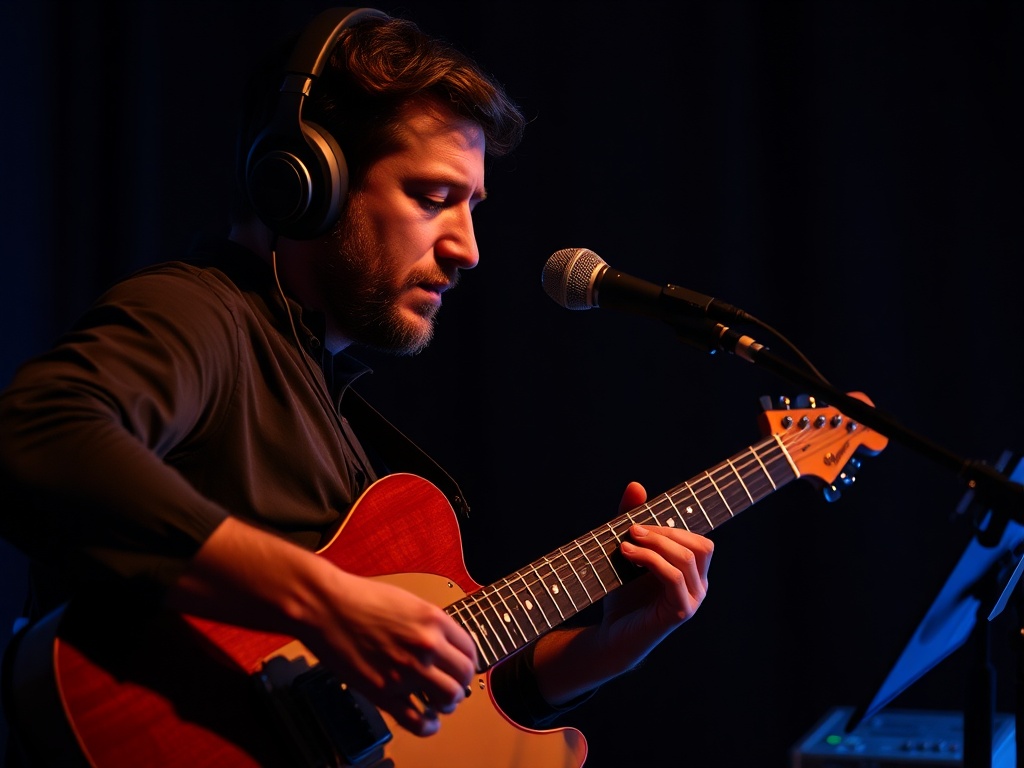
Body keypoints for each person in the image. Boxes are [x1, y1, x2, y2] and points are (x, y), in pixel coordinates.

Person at [0, 7, 713, 766]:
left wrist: (614, 642)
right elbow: (42, 434)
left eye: (472, 208)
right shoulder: (196, 313)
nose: (468, 249)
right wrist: (327, 603)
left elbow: (414, 715)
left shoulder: (317, 389)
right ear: (309, 181)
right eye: (433, 197)